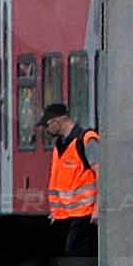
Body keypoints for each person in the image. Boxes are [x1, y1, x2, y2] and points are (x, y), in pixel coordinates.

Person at [42, 100, 99, 254]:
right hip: (64, 216)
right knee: (68, 258)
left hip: (84, 215)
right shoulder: (60, 145)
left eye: (47, 125)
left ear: (58, 121)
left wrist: (98, 209)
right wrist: (55, 213)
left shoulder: (86, 140)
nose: (46, 130)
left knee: (77, 255)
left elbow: (101, 175)